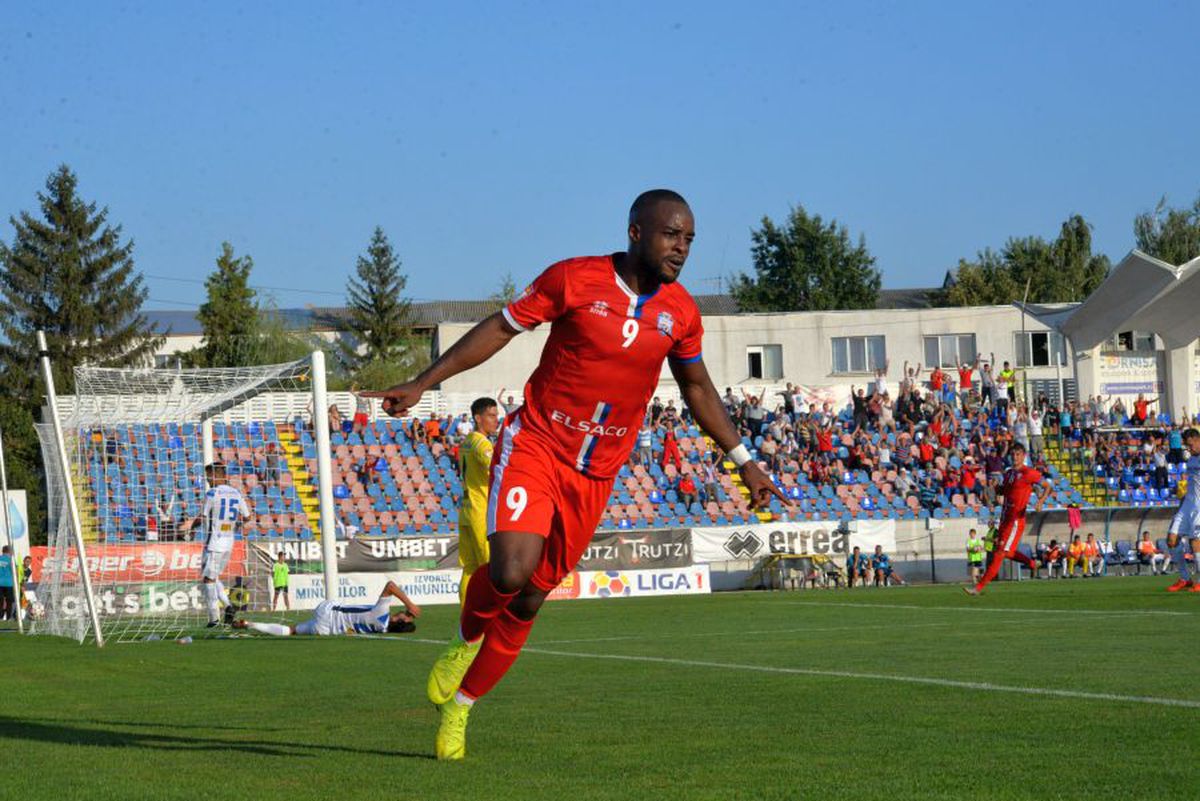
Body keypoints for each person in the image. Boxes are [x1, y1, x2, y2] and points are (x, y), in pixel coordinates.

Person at [364, 189, 786, 760]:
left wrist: (746, 462)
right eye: (671, 234)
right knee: (511, 571)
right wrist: (423, 382)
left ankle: (461, 707)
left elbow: (697, 388)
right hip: (537, 444)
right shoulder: (573, 279)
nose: (681, 248)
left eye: (689, 239)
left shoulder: (681, 312)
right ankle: (465, 640)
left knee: (531, 601)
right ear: (635, 232)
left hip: (597, 472)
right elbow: (500, 329)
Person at [964, 442, 1053, 595]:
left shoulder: (1028, 473)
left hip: (1015, 521)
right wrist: (995, 487)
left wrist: (1040, 501)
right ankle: (1032, 563)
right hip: (1004, 518)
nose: (1015, 457)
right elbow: (1003, 491)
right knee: (1007, 552)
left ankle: (978, 588)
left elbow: (1048, 486)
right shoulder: (1009, 473)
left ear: (1024, 456)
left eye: (1018, 454)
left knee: (1000, 553)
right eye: (1013, 454)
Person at [184, 463, 250, 626]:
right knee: (212, 577)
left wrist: (191, 528)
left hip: (214, 543)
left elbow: (202, 517)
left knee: (208, 580)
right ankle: (228, 607)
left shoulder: (212, 493)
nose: (208, 481)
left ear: (215, 475)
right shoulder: (236, 493)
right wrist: (233, 525)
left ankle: (214, 617)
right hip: (229, 542)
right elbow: (247, 517)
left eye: (209, 477)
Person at [234, 580, 420, 636]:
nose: (405, 613)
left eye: (406, 615)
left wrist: (409, 604)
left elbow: (390, 585)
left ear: (399, 620)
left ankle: (248, 622)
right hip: (325, 630)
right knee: (292, 631)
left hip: (327, 611)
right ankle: (250, 624)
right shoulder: (382, 629)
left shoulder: (381, 613)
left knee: (338, 602)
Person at [458, 397, 501, 604]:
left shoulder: (466, 441)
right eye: (491, 416)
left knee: (470, 569)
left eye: (497, 416)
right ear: (477, 418)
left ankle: (465, 618)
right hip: (481, 511)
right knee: (490, 568)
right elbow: (496, 469)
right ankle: (490, 617)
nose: (496, 420)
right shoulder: (481, 443)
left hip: (467, 510)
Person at [1164, 428, 1200, 592]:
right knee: (1171, 540)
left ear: (1197, 439)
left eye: (1190, 445)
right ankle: (1185, 578)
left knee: (1195, 542)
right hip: (1187, 503)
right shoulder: (1191, 458)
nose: (1189, 448)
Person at [0, 546, 14, 621]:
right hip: (9, 583)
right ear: (9, 551)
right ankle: (8, 617)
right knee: (9, 601)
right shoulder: (10, 560)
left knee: (0, 601)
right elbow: (14, 571)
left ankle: (0, 617)